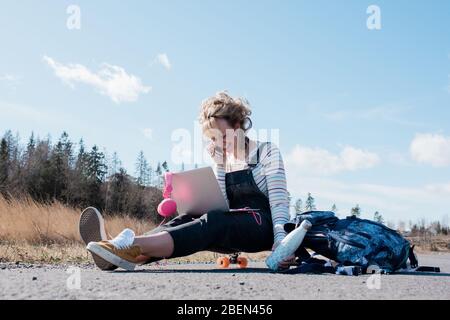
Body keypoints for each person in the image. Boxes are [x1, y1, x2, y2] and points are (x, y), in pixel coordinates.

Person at [80, 91, 294, 271]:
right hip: (232, 226)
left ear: (238, 125)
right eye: (213, 139)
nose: (219, 144)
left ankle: (128, 244)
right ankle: (121, 255)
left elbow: (278, 204)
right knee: (187, 217)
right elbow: (221, 205)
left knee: (215, 221)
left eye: (223, 136)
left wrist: (282, 243)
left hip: (261, 228)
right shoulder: (223, 159)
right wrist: (219, 164)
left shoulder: (267, 152)